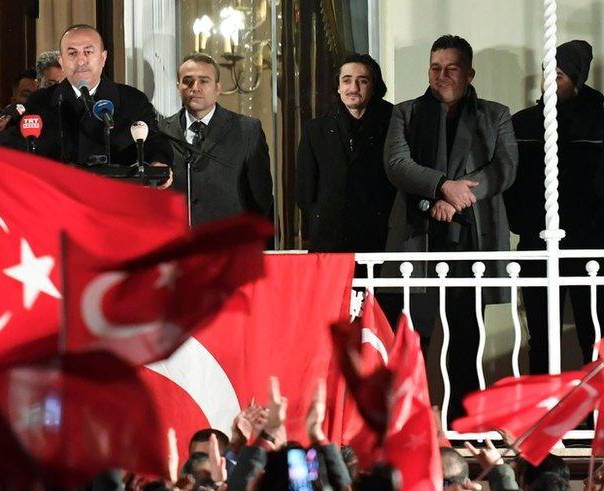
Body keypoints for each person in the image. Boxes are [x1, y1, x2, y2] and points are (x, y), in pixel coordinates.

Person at [383, 35, 518, 421]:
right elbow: (396, 164)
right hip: (417, 241)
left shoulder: (496, 114)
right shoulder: (405, 113)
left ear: (469, 73)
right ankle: (409, 423)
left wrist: (459, 196)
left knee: (466, 338)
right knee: (414, 338)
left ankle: (463, 424)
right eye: (435, 67)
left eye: (451, 68)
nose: (441, 75)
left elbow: (504, 169)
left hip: (471, 243)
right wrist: (444, 186)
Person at [505, 40, 604, 375]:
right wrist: (522, 223)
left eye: (559, 75)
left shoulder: (599, 122)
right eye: (548, 73)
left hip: (591, 246)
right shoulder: (524, 124)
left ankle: (596, 425)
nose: (549, 81)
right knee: (542, 340)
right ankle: (544, 422)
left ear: (577, 80)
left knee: (594, 337)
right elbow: (511, 183)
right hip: (537, 242)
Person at [18, 24, 173, 169]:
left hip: (115, 193)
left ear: (103, 58)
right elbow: (21, 149)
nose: (81, 61)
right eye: (72, 53)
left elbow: (155, 142)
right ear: (62, 61)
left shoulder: (132, 100)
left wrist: (158, 162)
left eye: (88, 52)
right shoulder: (39, 102)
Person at [159, 53, 274, 228]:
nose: (195, 87)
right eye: (187, 81)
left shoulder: (247, 130)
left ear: (218, 88)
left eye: (204, 81)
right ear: (178, 87)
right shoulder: (160, 131)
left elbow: (261, 197)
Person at [296, 53, 394, 252]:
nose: (353, 88)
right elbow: (304, 191)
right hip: (329, 240)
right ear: (338, 86)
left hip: (379, 239)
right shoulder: (315, 130)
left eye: (362, 81)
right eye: (347, 81)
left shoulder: (392, 124)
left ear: (374, 86)